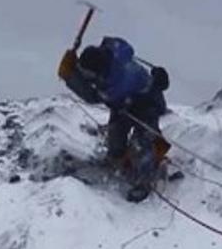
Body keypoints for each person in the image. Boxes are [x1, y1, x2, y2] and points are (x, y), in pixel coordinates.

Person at [57, 36, 170, 201]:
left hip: (147, 104)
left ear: (100, 71)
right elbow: (111, 42)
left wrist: (70, 76)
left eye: (90, 75)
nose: (89, 78)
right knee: (116, 141)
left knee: (143, 142)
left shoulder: (116, 83)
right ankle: (118, 159)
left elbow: (92, 96)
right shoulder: (114, 50)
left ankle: (145, 179)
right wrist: (76, 68)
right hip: (124, 105)